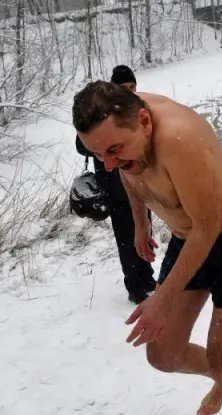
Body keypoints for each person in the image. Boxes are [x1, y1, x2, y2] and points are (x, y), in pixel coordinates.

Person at [71, 81, 222, 415]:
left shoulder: (180, 139)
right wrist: (140, 224)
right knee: (163, 354)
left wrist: (160, 300)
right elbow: (128, 172)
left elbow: (208, 228)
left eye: (113, 151)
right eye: (98, 155)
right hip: (188, 236)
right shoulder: (121, 128)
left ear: (145, 122)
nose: (108, 164)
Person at [75, 65, 156, 304]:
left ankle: (147, 277)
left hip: (140, 186)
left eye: (132, 86)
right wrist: (105, 145)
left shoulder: (136, 110)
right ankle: (134, 286)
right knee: (126, 241)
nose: (129, 91)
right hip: (116, 190)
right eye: (124, 87)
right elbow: (81, 145)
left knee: (145, 232)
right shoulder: (100, 113)